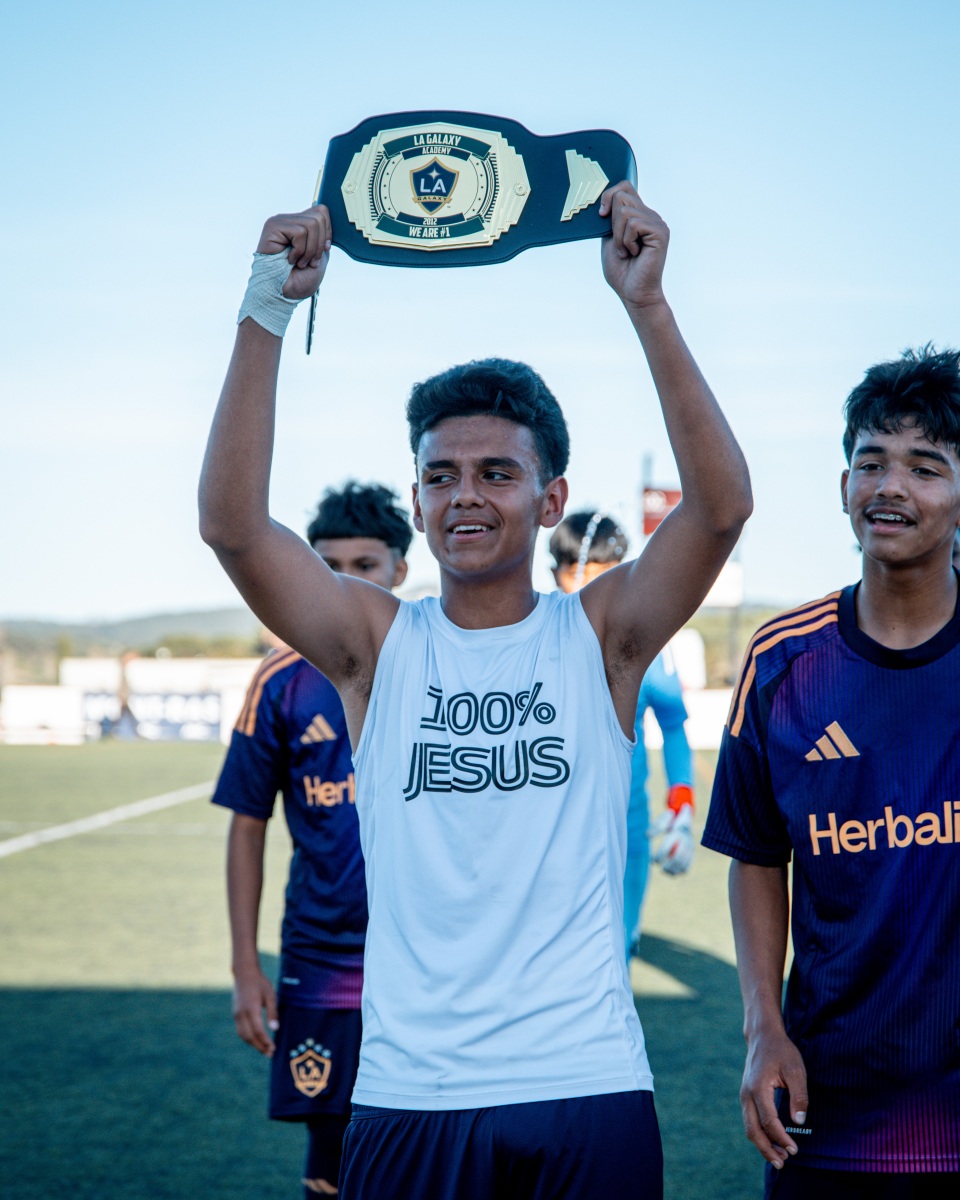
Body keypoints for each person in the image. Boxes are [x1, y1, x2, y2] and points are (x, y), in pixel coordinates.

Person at [199, 180, 752, 1199]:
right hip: (411, 1094)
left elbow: (720, 511)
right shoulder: (376, 645)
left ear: (549, 500)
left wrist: (648, 307)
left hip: (585, 1084)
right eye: (441, 475)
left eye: (497, 473)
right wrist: (267, 305)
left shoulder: (600, 637)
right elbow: (234, 529)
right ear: (416, 502)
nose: (465, 495)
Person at [702, 346, 960, 1198]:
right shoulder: (784, 661)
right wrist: (762, 1028)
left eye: (926, 467)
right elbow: (756, 855)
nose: (891, 487)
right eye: (871, 462)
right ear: (843, 484)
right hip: (830, 1105)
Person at [210, 482, 412, 1199]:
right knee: (331, 1145)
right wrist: (245, 965)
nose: (346, 583)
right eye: (329, 567)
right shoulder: (281, 681)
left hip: (428, 957)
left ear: (400, 571)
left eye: (366, 565)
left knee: (428, 1139)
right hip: (323, 958)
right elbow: (247, 823)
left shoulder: (433, 662)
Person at [548, 510, 696, 955]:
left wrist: (682, 802)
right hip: (549, 829)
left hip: (624, 824)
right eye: (573, 573)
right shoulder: (536, 636)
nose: (584, 586)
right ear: (554, 573)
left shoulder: (644, 640)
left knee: (617, 948)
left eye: (599, 574)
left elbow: (673, 725)